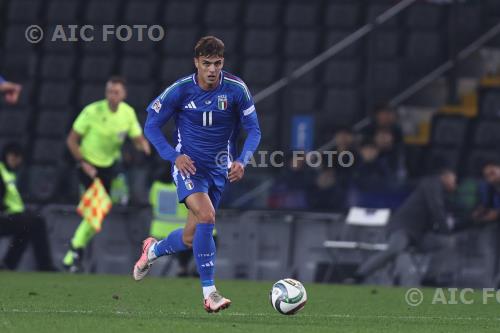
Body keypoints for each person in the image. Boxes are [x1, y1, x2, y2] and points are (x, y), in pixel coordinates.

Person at [133, 36, 261, 313]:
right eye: (206, 64)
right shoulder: (180, 91)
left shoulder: (237, 90)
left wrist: (242, 160)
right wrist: (173, 156)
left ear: (223, 62)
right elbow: (151, 126)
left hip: (218, 171)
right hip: (189, 168)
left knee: (191, 238)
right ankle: (210, 293)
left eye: (217, 63)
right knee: (207, 216)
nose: (212, 70)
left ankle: (152, 251)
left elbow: (255, 130)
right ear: (196, 63)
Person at [63, 76, 151, 272]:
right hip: (88, 166)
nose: (112, 96)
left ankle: (73, 253)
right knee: (99, 206)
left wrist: (143, 145)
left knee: (97, 213)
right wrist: (83, 163)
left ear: (124, 94)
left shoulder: (127, 113)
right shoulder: (92, 111)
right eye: (109, 91)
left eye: (116, 92)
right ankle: (74, 249)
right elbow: (71, 140)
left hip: (108, 167)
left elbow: (136, 136)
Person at [354, 168, 460, 282]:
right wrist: (446, 231)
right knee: (395, 249)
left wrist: (472, 219)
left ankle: (430, 278)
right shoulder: (432, 184)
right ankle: (359, 275)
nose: (455, 184)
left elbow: (448, 213)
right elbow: (436, 209)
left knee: (447, 243)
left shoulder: (442, 194)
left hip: (418, 235)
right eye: (453, 180)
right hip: (403, 228)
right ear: (445, 176)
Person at [0, 142, 55, 271]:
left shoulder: (8, 173)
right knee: (36, 223)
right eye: (14, 157)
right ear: (7, 156)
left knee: (28, 226)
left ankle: (8, 265)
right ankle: (45, 266)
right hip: (4, 216)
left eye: (18, 158)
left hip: (9, 216)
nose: (16, 161)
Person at [472, 160, 500, 224]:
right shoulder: (493, 191)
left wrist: (497, 214)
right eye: (487, 176)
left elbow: (495, 213)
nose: (492, 178)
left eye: (492, 173)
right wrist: (481, 210)